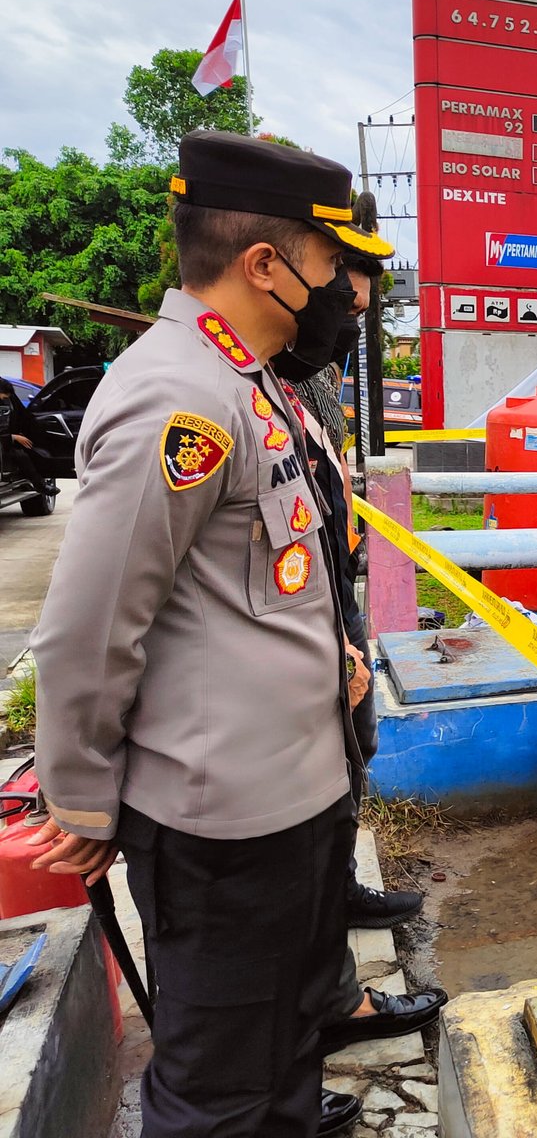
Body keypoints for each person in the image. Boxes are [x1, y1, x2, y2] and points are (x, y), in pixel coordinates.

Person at [28, 130, 397, 1137]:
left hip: (292, 796)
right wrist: (85, 798)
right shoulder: (176, 398)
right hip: (222, 823)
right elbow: (89, 630)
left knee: (278, 1041)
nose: (345, 291)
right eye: (330, 265)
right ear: (264, 266)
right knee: (221, 1089)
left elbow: (260, 588)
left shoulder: (250, 381)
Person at [274, 263, 448, 1055]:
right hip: (288, 642)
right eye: (345, 304)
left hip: (329, 600)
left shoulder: (311, 380)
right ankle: (301, 1033)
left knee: (353, 754)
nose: (350, 325)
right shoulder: (248, 385)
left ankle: (338, 913)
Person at [1, 379, 58, 499]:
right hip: (5, 442)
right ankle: (40, 485)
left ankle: (39, 482)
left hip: (7, 439)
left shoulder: (9, 400)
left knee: (31, 449)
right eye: (4, 395)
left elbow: (24, 416)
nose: (4, 399)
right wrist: (12, 437)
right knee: (21, 455)